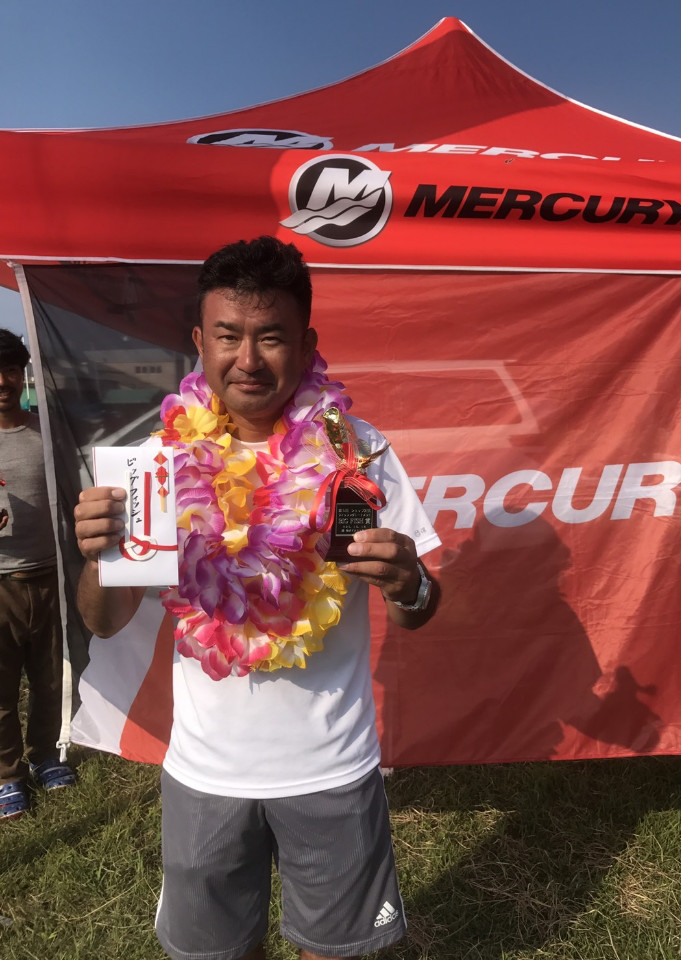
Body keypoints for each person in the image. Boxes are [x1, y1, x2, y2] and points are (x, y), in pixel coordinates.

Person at [73, 236, 441, 960]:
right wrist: (96, 560)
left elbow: (419, 610)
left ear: (305, 345)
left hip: (333, 767)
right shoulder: (154, 465)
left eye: (270, 336)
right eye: (228, 335)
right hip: (205, 774)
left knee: (335, 953)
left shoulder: (357, 452)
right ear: (198, 342)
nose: (248, 358)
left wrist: (411, 583)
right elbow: (104, 621)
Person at [0, 328, 76, 821]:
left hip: (51, 577)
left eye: (9, 370)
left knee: (51, 678)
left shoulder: (48, 433)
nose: (1, 381)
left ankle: (46, 754)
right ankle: (7, 774)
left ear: (23, 373)